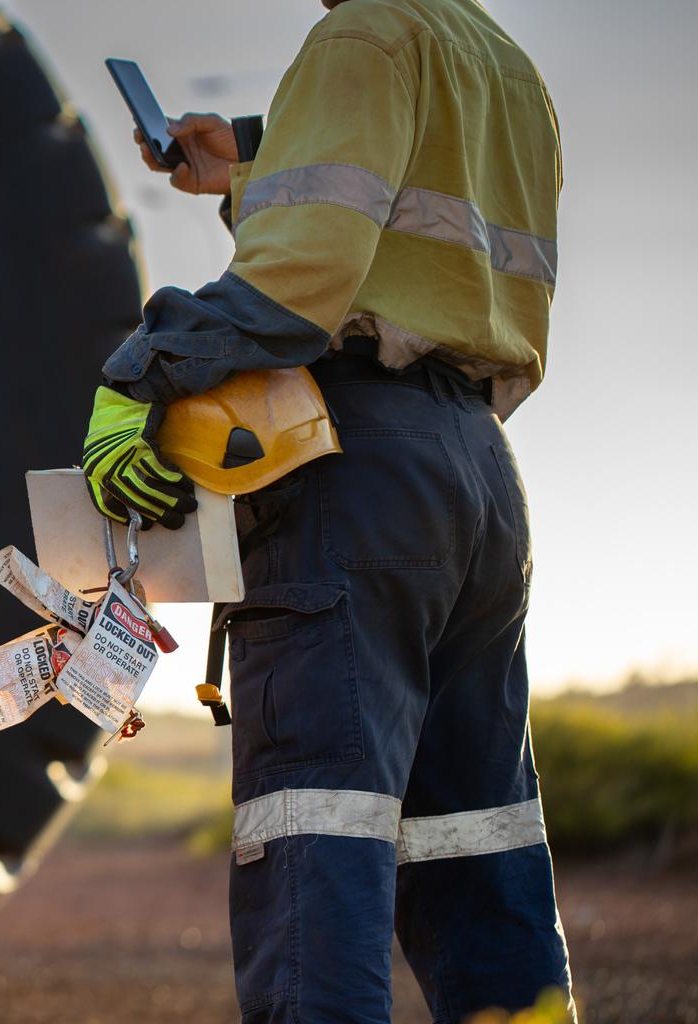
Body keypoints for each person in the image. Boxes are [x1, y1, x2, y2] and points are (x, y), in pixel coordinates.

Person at [80, 0, 573, 1020]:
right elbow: (408, 231)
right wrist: (251, 166)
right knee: (481, 848)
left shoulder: (362, 36)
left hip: (354, 468)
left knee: (319, 844)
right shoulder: (508, 70)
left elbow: (302, 281)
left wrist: (140, 375)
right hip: (480, 477)